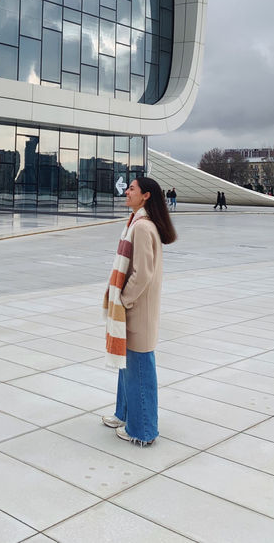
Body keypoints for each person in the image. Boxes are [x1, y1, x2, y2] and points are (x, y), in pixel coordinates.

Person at [102, 176, 177, 445]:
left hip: (138, 310)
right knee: (127, 366)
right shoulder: (135, 222)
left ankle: (143, 429)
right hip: (132, 309)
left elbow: (142, 273)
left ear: (145, 195)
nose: (127, 192)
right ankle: (124, 414)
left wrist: (123, 298)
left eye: (132, 189)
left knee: (140, 370)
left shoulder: (143, 227)